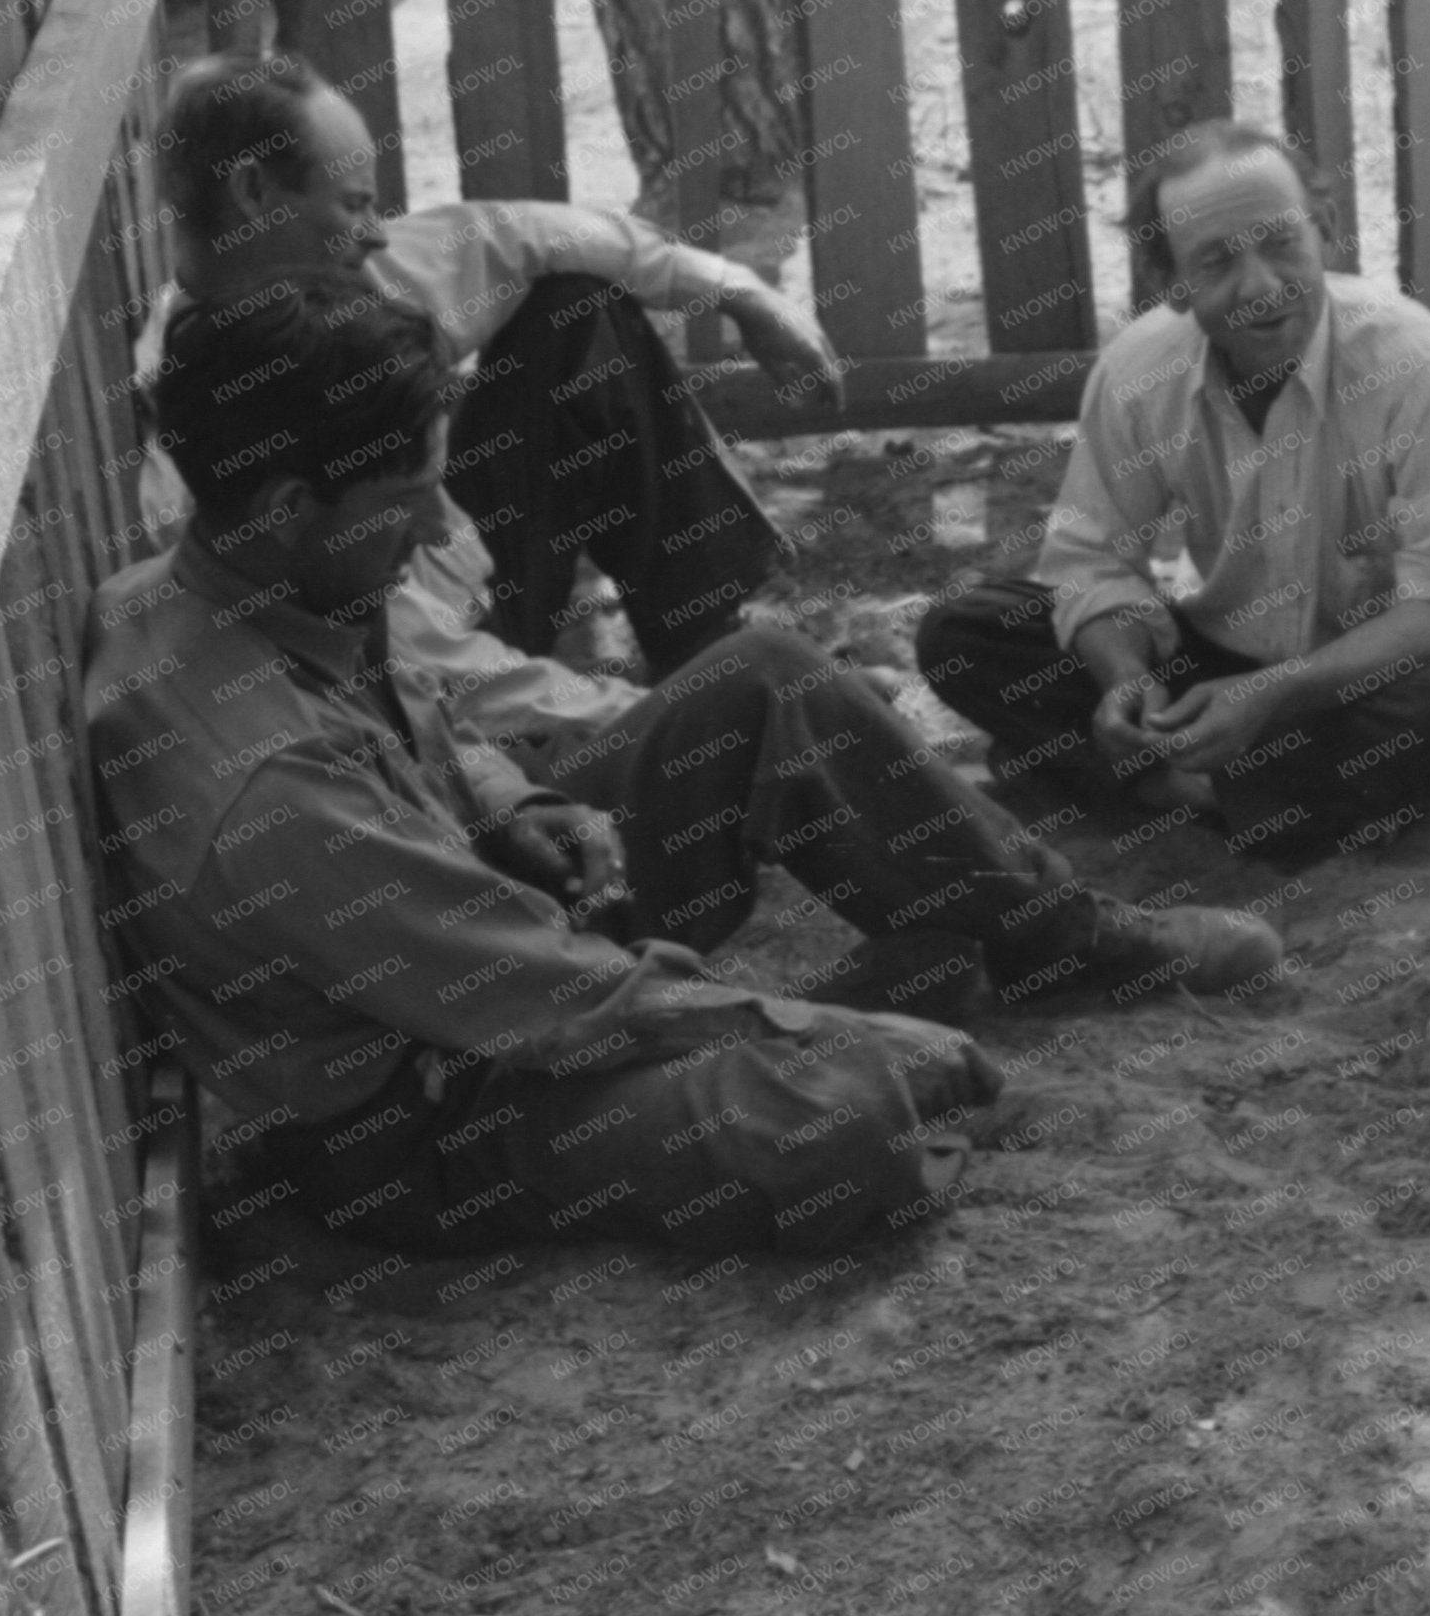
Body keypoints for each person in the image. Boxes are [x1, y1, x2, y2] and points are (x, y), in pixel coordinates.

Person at [92, 279, 1278, 1257]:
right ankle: (884, 1009)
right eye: (410, 498)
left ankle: (1057, 933)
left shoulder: (255, 575)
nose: (445, 531)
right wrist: (802, 1023)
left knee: (764, 673)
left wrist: (521, 800)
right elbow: (544, 1003)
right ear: (292, 501)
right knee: (851, 1115)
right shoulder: (270, 786)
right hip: (433, 1103)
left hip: (473, 938)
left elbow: (422, 727)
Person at [914, 121, 1430, 864]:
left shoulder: (1422, 366)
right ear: (1170, 285)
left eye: (1281, 242)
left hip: (1364, 673)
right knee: (964, 633)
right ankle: (1242, 788)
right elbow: (1089, 561)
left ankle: (1172, 789)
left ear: (1326, 229)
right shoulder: (1139, 371)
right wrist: (1125, 680)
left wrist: (1278, 691)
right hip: (1209, 666)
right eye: (1215, 261)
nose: (1261, 286)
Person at [149, 49, 823, 715]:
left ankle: (709, 638)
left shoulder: (333, 276)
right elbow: (424, 672)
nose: (378, 236)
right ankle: (721, 694)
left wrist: (737, 291)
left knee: (577, 308)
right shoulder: (213, 417)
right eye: (352, 204)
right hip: (438, 679)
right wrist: (660, 716)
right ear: (254, 192)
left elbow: (525, 235)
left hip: (465, 582)